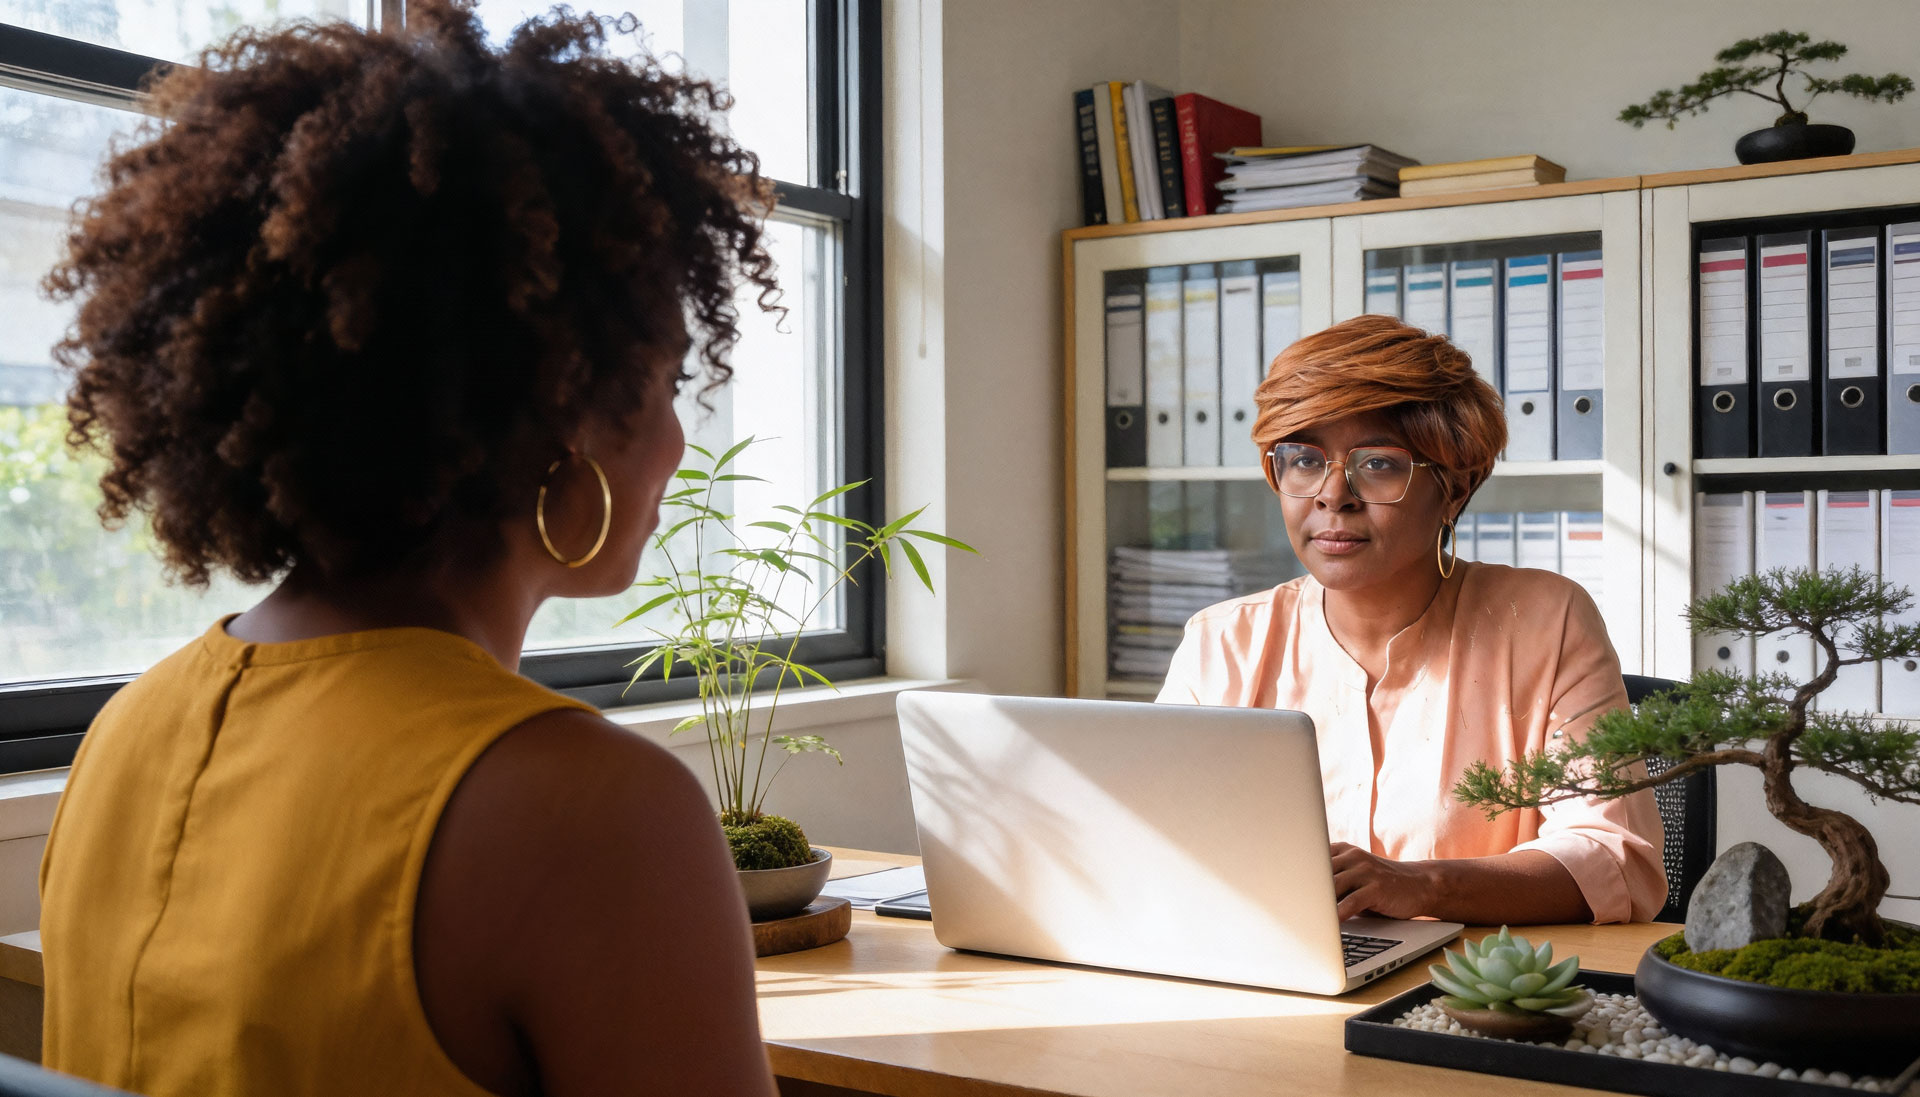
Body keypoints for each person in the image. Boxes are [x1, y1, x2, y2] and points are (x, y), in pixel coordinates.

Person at [36, 6, 780, 1095]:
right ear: (562, 414)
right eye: (663, 385)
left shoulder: (128, 731)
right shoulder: (595, 810)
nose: (675, 441)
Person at [1157, 314, 1666, 926]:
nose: (1331, 495)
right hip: (1271, 980)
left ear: (1453, 489)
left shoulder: (1545, 620)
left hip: (1467, 996)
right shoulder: (1222, 644)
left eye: (1379, 464)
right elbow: (1156, 843)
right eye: (1302, 459)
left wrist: (1424, 887)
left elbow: (1615, 857)